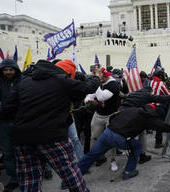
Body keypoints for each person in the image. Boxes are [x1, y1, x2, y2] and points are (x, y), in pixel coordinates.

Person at [0, 59, 99, 192]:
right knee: (72, 177)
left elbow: (7, 109)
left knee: (30, 182)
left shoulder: (24, 82)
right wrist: (96, 76)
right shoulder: (62, 81)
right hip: (53, 138)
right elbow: (89, 87)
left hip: (23, 139)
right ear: (68, 73)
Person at [78, 102, 170, 180]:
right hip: (119, 138)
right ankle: (128, 172)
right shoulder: (149, 118)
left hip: (107, 132)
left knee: (92, 154)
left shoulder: (134, 109)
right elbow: (163, 127)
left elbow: (116, 116)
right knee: (137, 146)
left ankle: (75, 175)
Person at [85, 67, 121, 171]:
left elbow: (101, 97)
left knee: (111, 139)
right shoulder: (99, 82)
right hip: (99, 114)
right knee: (95, 137)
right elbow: (90, 95)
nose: (98, 79)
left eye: (100, 78)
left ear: (105, 76)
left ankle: (113, 160)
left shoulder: (113, 85)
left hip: (111, 115)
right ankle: (97, 158)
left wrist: (96, 83)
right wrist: (88, 100)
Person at [0, 59, 21, 192]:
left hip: (20, 122)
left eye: (11, 69)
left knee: (23, 152)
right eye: (5, 70)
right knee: (8, 153)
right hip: (3, 123)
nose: (8, 72)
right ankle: (14, 179)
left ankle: (28, 176)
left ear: (15, 70)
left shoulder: (22, 81)